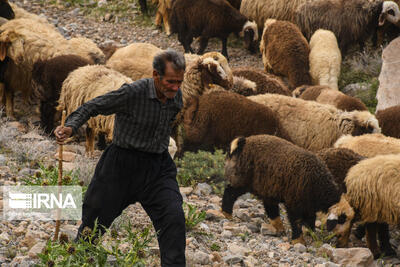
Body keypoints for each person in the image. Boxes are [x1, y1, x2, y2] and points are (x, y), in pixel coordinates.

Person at [55, 49, 186, 266]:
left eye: (179, 82)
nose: (175, 87)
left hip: (157, 168)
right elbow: (93, 105)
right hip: (121, 166)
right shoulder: (133, 93)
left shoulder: (176, 96)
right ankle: (77, 260)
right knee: (94, 219)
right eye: (171, 82)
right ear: (156, 75)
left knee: (173, 217)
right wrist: (70, 126)